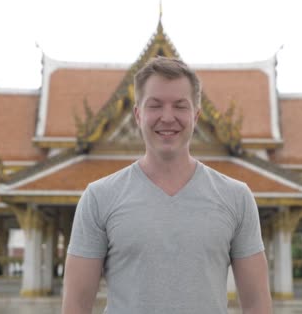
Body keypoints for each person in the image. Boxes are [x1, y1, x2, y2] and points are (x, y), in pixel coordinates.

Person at [61, 57, 272, 314]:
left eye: (180, 106)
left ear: (196, 115)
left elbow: (257, 304)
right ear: (138, 115)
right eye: (155, 105)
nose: (168, 117)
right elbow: (76, 306)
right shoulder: (99, 197)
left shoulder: (236, 198)